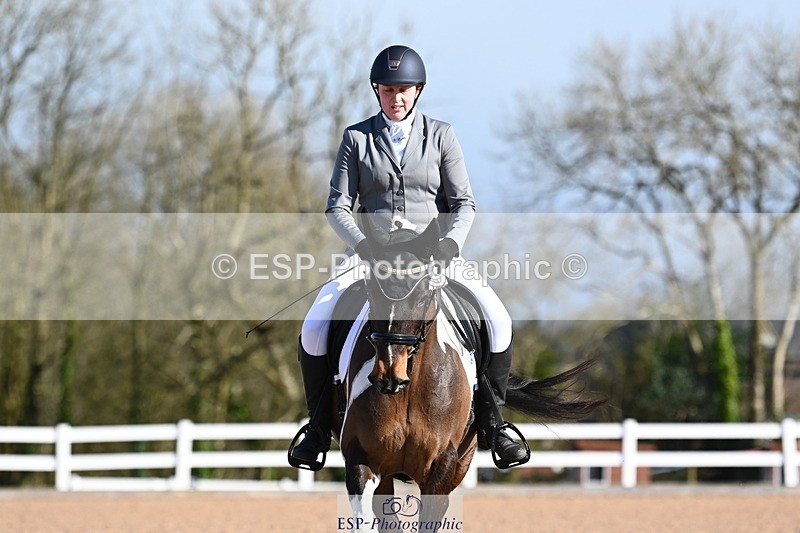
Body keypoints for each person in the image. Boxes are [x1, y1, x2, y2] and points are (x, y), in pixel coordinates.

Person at [289, 45, 527, 468]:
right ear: (376, 91)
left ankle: (495, 423)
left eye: (403, 90)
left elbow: (463, 204)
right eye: (386, 90)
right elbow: (337, 207)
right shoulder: (357, 138)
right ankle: (318, 429)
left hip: (431, 252)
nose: (395, 98)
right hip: (371, 253)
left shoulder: (441, 135)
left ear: (417, 91)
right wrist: (363, 248)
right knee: (313, 327)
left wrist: (449, 246)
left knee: (498, 318)